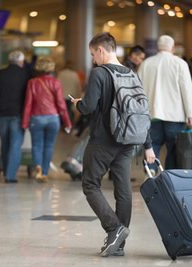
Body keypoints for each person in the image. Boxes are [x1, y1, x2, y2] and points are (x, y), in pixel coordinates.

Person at [70, 32, 155, 257]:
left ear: (101, 50)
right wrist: (148, 145)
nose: (93, 59)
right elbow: (141, 110)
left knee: (90, 184)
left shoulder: (99, 73)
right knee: (123, 190)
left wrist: (78, 104)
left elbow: (88, 107)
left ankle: (114, 228)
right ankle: (119, 244)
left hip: (103, 141)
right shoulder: (132, 73)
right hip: (128, 140)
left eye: (92, 54)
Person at [138, 35, 192, 173]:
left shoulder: (146, 63)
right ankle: (171, 176)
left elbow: (138, 89)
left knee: (152, 146)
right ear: (173, 47)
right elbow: (187, 90)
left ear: (158, 47)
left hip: (151, 114)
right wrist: (191, 114)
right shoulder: (180, 63)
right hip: (175, 116)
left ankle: (150, 174)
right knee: (174, 149)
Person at [22, 57, 72, 183]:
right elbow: (61, 104)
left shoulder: (32, 83)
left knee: (36, 145)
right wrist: (67, 122)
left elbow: (28, 104)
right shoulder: (56, 82)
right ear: (51, 68)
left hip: (37, 118)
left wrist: (24, 122)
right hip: (53, 119)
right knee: (49, 146)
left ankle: (38, 167)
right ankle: (44, 172)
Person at [0, 50, 29, 183]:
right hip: (18, 114)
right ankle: (10, 176)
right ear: (21, 62)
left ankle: (6, 170)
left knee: (5, 143)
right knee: (15, 144)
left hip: (1, 114)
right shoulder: (25, 75)